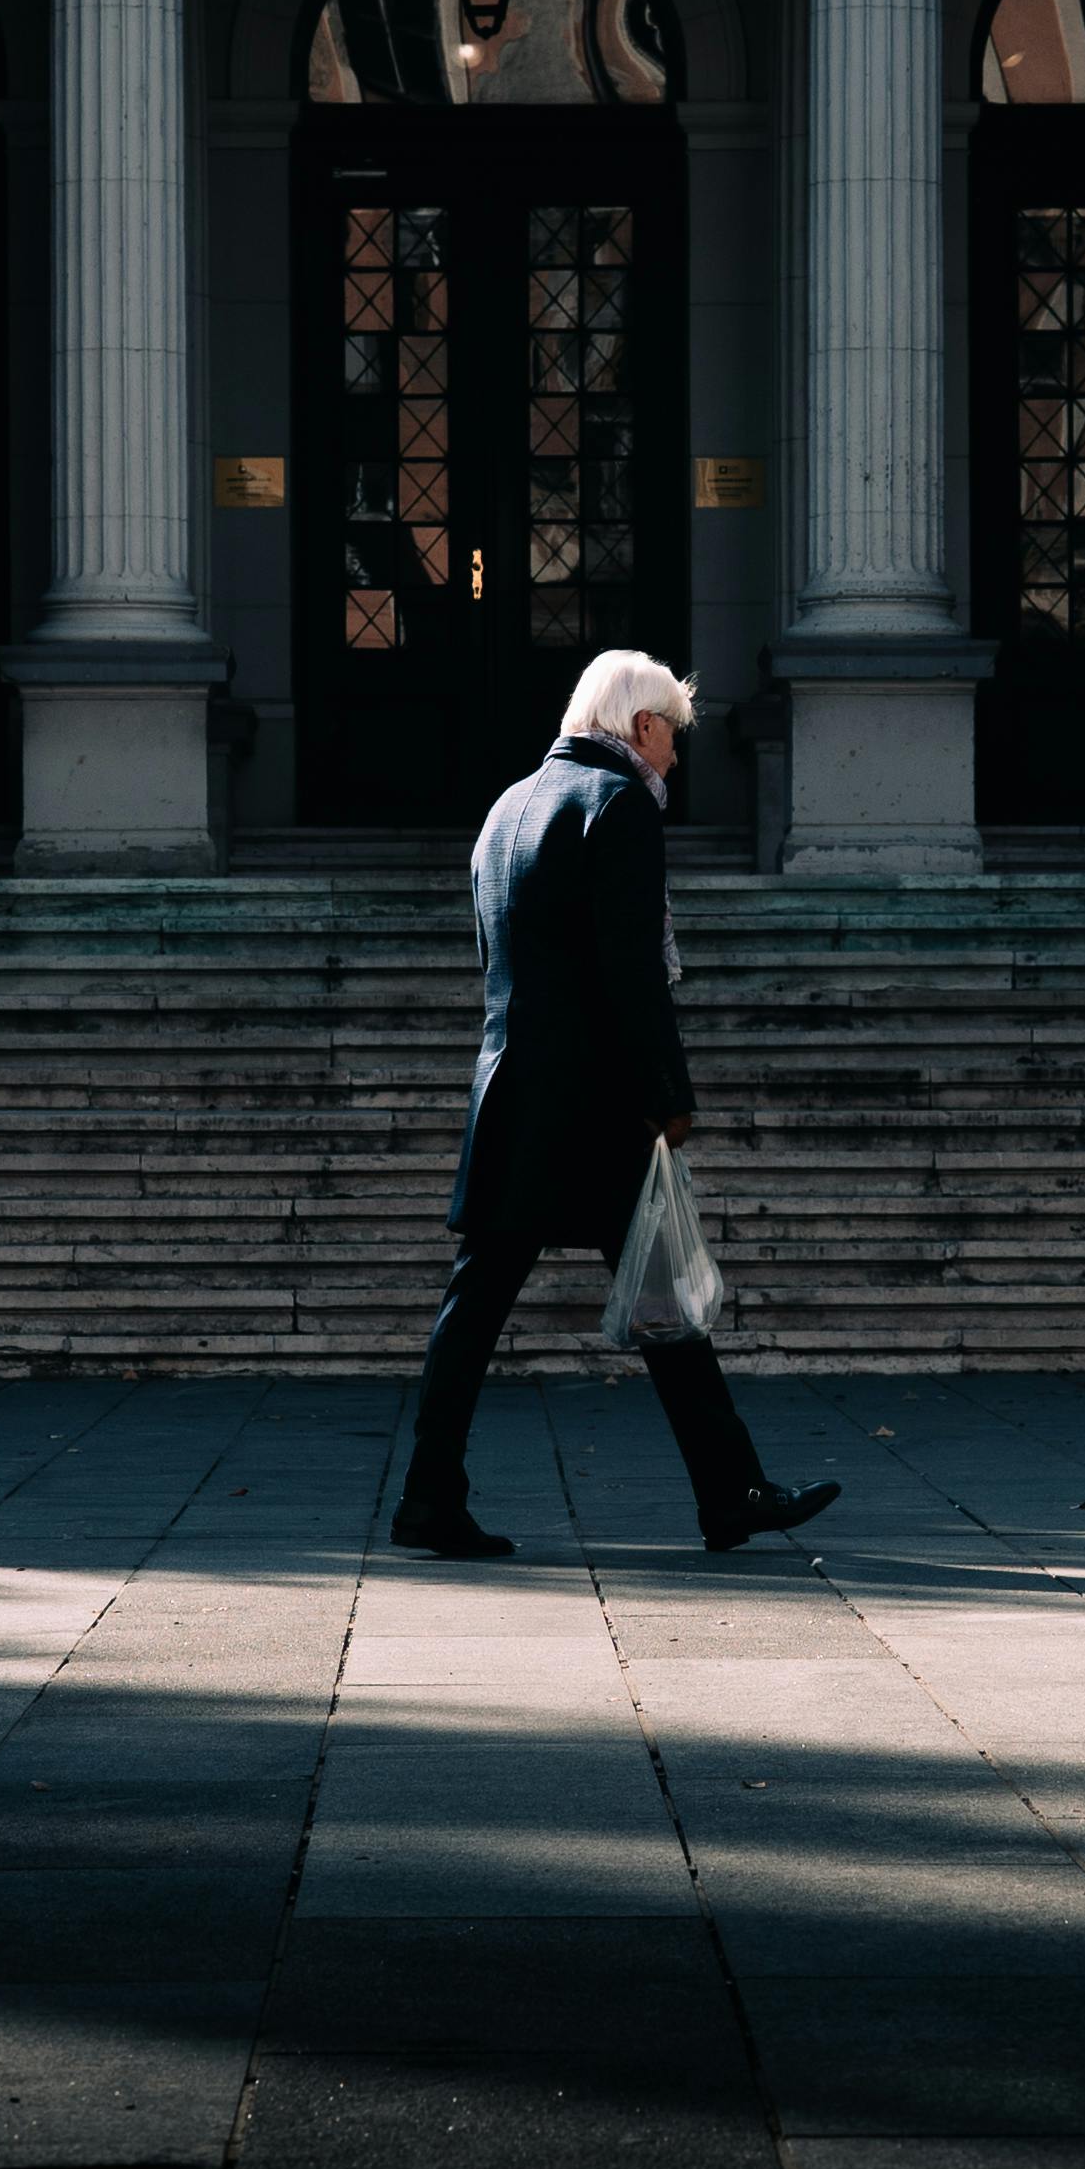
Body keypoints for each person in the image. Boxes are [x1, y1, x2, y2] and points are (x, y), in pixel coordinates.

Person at [392, 648, 843, 1561]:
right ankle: (732, 1493)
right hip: (593, 1101)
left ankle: (431, 1497)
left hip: (513, 1087)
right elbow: (633, 974)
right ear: (640, 727)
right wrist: (668, 1096)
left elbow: (499, 958)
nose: (675, 758)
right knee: (664, 1299)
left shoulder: (506, 807)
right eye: (673, 737)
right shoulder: (619, 804)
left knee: (476, 1307)